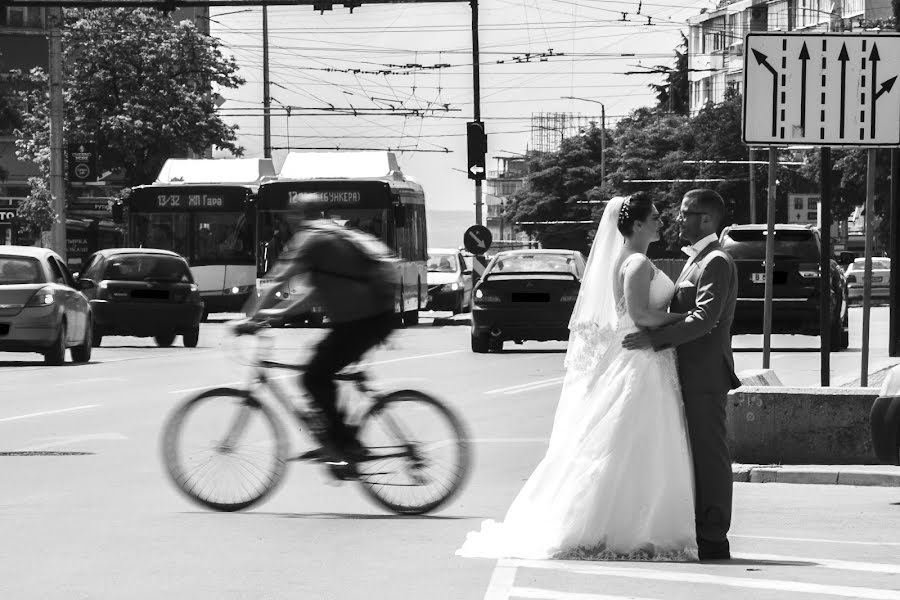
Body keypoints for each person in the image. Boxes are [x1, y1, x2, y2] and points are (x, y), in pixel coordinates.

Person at [457, 193, 698, 561]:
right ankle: (619, 526)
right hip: (640, 359)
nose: (660, 222)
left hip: (642, 355)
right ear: (636, 225)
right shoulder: (636, 263)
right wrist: (688, 320)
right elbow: (641, 315)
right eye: (654, 217)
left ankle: (632, 522)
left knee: (635, 443)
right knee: (632, 442)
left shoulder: (632, 260)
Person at [622, 188, 740, 561]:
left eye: (686, 213)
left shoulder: (717, 261)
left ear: (706, 219)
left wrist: (655, 339)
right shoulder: (696, 260)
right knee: (691, 457)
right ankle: (699, 528)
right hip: (682, 371)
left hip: (705, 375)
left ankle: (714, 537)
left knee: (709, 457)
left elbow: (706, 319)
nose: (678, 218)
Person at [234, 216, 398, 463]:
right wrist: (273, 313)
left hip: (363, 322)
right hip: (373, 318)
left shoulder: (313, 240)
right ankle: (336, 439)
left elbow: (279, 279)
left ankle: (345, 444)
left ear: (297, 218)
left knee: (314, 377)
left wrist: (251, 316)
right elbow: (308, 295)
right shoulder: (331, 239)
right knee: (320, 365)